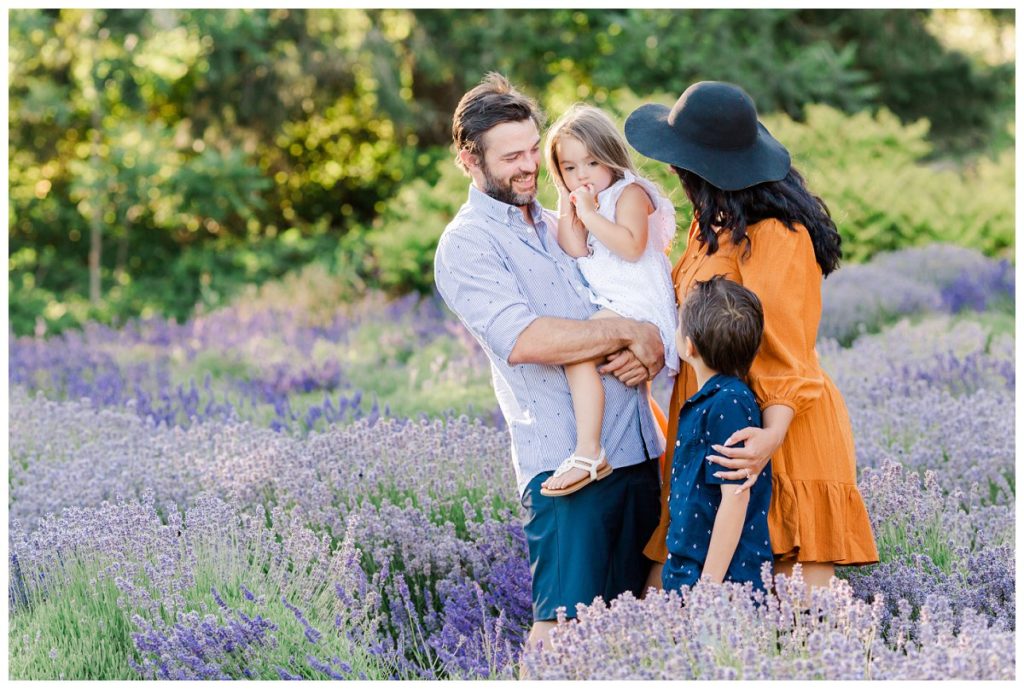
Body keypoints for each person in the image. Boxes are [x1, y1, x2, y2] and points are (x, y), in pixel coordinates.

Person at [432, 73, 664, 652]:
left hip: (637, 447)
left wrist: (650, 343)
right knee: (560, 632)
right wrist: (628, 332)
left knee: (637, 625)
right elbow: (529, 339)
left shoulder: (562, 217)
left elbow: (625, 285)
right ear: (469, 160)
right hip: (566, 465)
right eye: (512, 156)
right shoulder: (467, 245)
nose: (530, 165)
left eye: (534, 149)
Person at [624, 81, 879, 596]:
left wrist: (770, 437)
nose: (672, 170)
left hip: (773, 432)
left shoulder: (779, 235)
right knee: (674, 600)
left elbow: (786, 348)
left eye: (681, 162)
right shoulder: (709, 224)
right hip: (712, 423)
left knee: (790, 624)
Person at [539, 104, 678, 497]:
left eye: (592, 162)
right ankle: (601, 446)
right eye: (569, 168)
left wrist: (589, 211)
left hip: (639, 303)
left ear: (611, 158)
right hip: (616, 301)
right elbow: (575, 249)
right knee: (580, 352)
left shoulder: (629, 192)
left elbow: (632, 246)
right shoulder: (587, 202)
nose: (582, 175)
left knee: (577, 351)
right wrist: (572, 212)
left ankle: (588, 449)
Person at [662, 276, 772, 594]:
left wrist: (709, 588)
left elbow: (734, 499)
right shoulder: (712, 399)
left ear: (689, 345)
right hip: (689, 571)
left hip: (724, 583)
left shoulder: (730, 402)